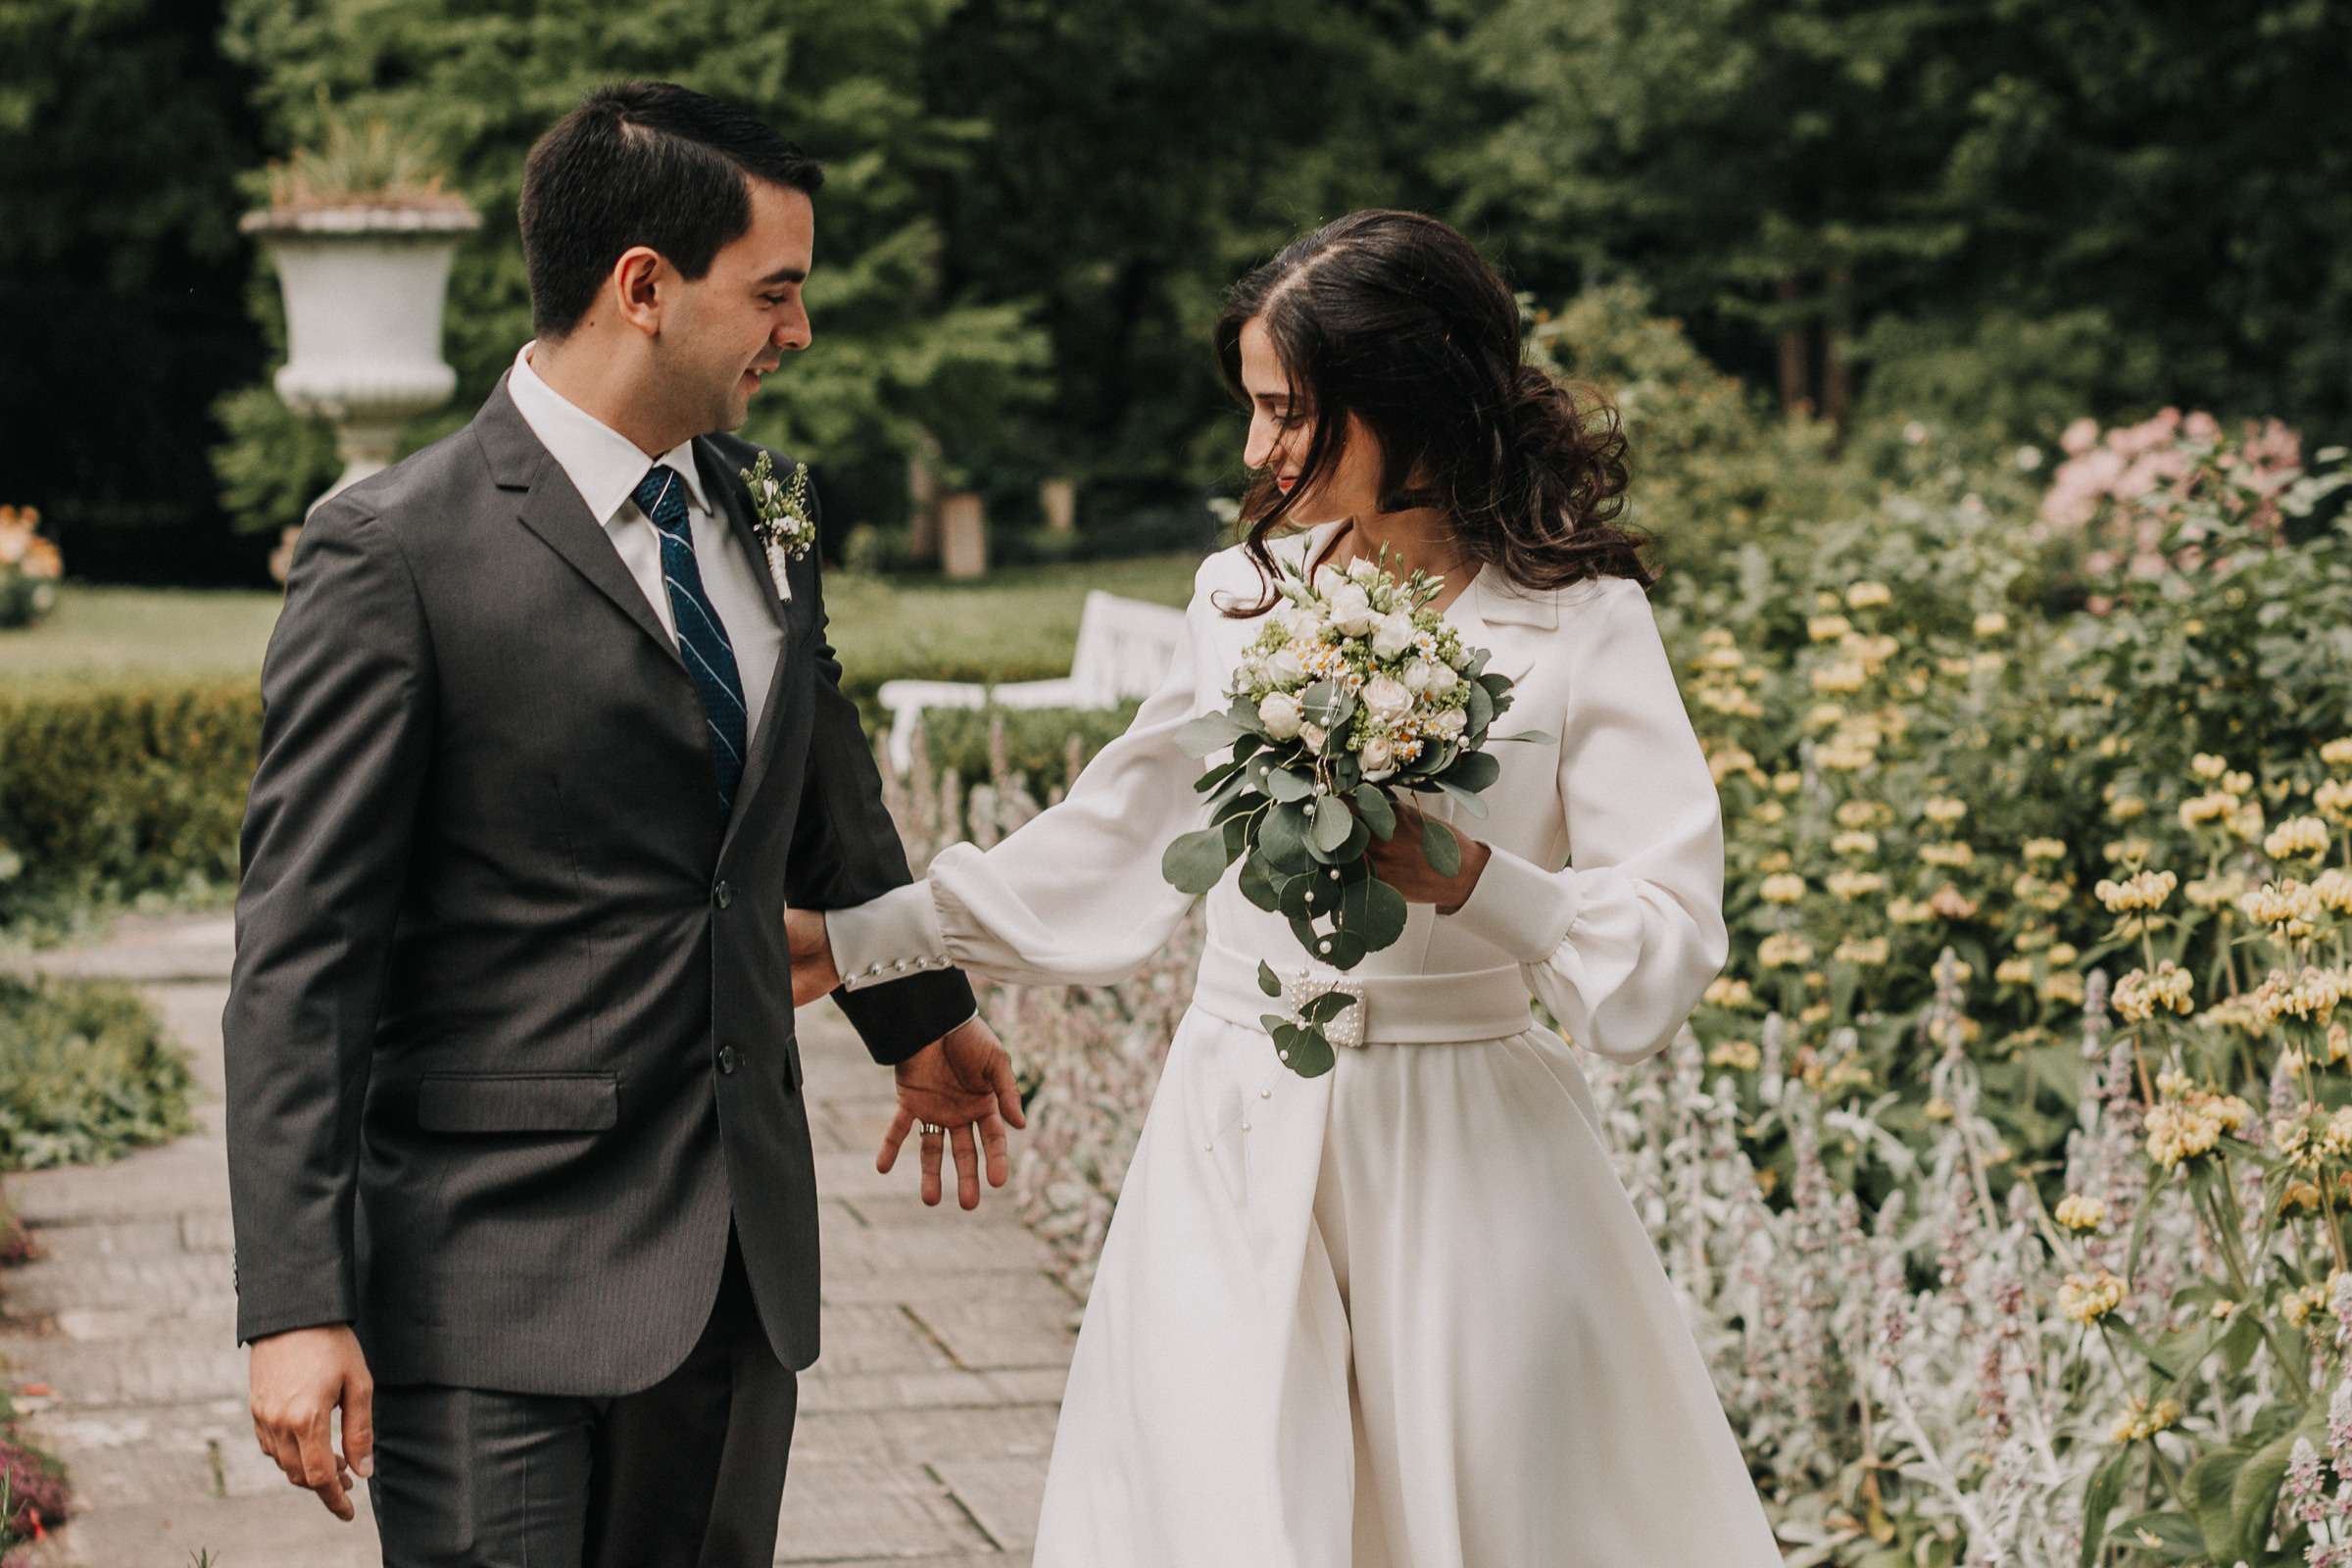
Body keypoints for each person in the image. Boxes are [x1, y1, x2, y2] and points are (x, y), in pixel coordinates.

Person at [788, 210, 1781, 1567]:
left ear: (1413, 398)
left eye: (1291, 412)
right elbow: (1126, 835)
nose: (1257, 452)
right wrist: (872, 942)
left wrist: (1480, 881)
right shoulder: (1239, 597)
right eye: (1254, 409)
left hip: (1464, 1156)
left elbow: (1665, 946)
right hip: (1232, 1131)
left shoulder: (1582, 625)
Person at [222, 81, 1023, 1568]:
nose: (799, 332)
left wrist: (922, 1012)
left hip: (738, 1263)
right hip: (491, 1275)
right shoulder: (392, 550)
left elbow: (819, 787)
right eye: (773, 292)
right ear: (642, 288)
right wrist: (293, 1304)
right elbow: (298, 961)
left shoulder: (766, 508)